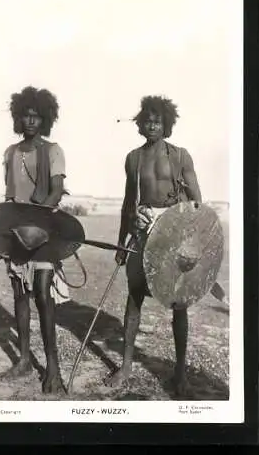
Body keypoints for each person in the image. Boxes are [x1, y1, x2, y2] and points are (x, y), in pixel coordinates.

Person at [104, 95, 202, 397]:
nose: (152, 125)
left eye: (157, 121)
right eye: (147, 120)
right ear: (140, 123)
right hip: (142, 231)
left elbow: (198, 202)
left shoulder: (181, 156)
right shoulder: (133, 158)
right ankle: (126, 366)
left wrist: (186, 236)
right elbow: (127, 203)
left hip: (174, 234)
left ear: (167, 124)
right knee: (134, 298)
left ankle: (181, 373)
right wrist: (122, 241)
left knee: (179, 303)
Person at [0, 86, 68, 393]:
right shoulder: (10, 153)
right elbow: (9, 195)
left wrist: (37, 222)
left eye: (36, 116)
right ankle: (25, 359)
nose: (30, 121)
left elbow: (55, 191)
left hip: (43, 230)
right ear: (18, 117)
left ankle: (53, 368)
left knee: (42, 292)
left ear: (45, 118)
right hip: (15, 232)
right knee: (19, 293)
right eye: (25, 115)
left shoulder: (53, 150)